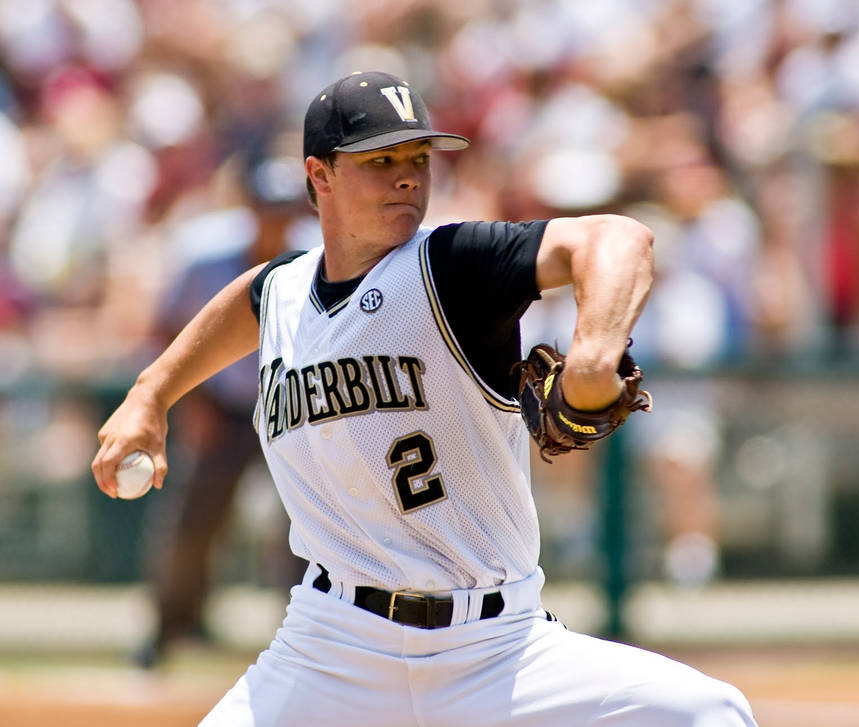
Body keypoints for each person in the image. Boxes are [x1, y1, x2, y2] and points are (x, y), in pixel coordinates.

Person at [93, 71, 757, 726]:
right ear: (319, 176)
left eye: (417, 157)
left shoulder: (452, 265)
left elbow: (618, 239)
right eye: (380, 160)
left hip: (495, 648)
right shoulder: (285, 292)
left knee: (710, 711)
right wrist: (150, 392)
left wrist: (592, 356)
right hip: (332, 646)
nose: (408, 175)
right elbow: (248, 301)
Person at [134, 139, 311, 667]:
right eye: (265, 209)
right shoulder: (205, 253)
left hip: (297, 408)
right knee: (194, 521)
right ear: (248, 207)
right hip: (225, 406)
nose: (273, 222)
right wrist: (188, 402)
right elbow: (167, 328)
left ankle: (302, 639)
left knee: (302, 529)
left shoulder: (319, 253)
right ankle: (170, 628)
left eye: (283, 211)